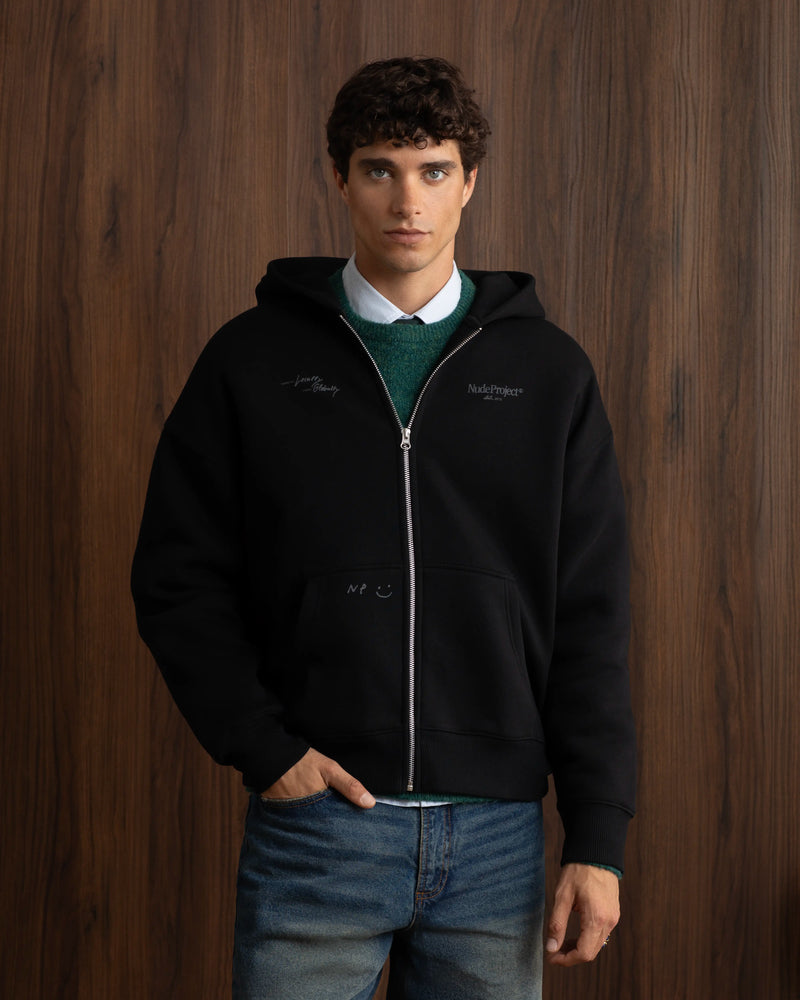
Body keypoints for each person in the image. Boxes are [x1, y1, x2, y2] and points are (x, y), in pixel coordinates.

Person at [131, 55, 636, 1000]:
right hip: (319, 829)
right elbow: (176, 576)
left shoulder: (548, 374)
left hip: (496, 842)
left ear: (468, 181)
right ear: (340, 177)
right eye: (380, 169)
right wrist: (266, 749)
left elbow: (592, 616)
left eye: (433, 170)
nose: (409, 201)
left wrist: (598, 836)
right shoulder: (252, 360)